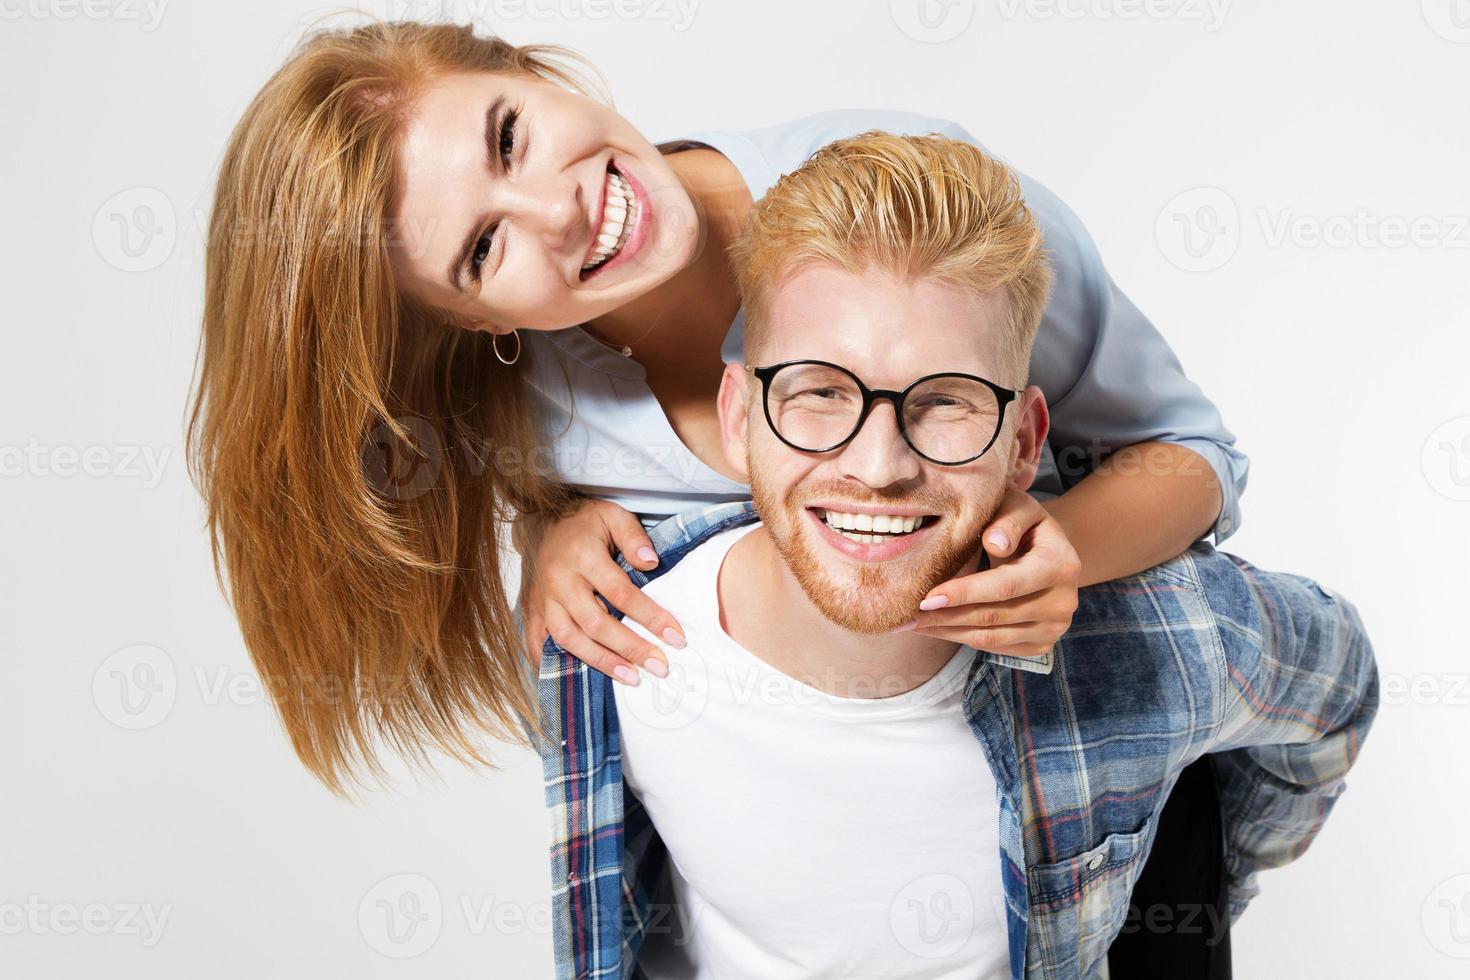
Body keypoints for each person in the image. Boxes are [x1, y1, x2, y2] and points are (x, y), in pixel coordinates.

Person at [188, 21, 1244, 973]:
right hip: (824, 867)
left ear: (525, 66)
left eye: (508, 138)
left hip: (1104, 800)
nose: (557, 210)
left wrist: (1059, 546)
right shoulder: (523, 401)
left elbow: (1187, 451)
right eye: (481, 248)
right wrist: (546, 530)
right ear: (473, 321)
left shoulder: (925, 217)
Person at [536, 130, 1378, 980]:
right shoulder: (612, 646)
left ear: (1024, 442)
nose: (878, 467)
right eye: (821, 392)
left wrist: (1180, 902)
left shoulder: (1165, 636)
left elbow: (1337, 692)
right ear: (739, 415)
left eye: (945, 402)